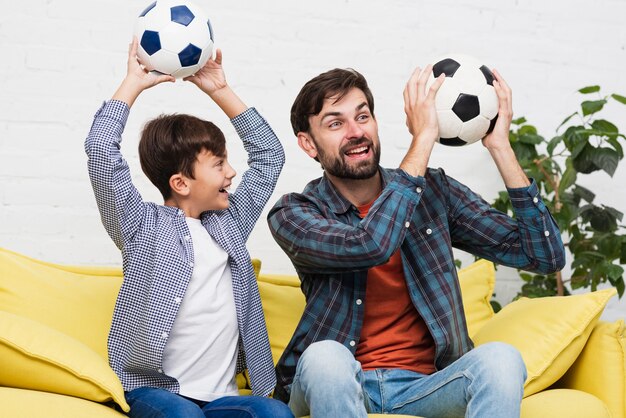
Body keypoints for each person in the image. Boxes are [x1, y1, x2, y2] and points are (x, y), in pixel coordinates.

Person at [267, 65, 566, 417]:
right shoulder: (294, 213)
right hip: (338, 382)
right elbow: (372, 244)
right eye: (335, 123)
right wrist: (423, 138)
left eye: (363, 117)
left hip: (426, 385)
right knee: (324, 356)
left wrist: (500, 147)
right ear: (308, 144)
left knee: (501, 359)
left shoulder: (434, 191)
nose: (355, 132)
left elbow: (544, 257)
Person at [85, 39, 293, 418]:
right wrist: (133, 82)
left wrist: (219, 89)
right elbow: (101, 151)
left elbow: (269, 155)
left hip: (223, 400)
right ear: (181, 183)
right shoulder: (141, 226)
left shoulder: (228, 223)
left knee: (275, 414)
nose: (231, 172)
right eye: (219, 164)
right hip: (157, 392)